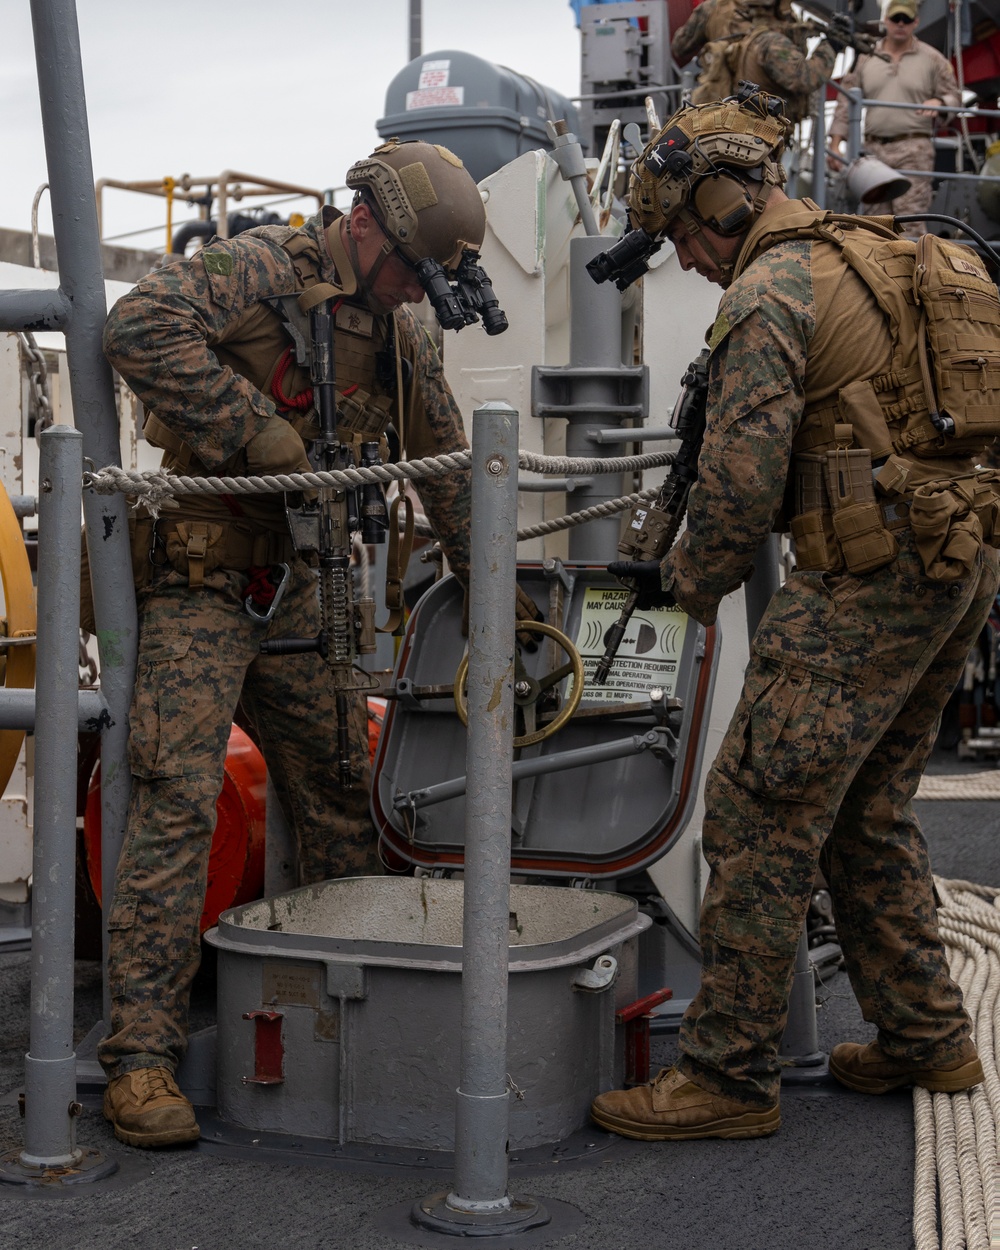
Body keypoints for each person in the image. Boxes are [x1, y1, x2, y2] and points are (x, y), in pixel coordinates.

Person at [97, 139, 530, 1148]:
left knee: (339, 790)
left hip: (310, 590)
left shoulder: (404, 323)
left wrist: (499, 589)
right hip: (207, 577)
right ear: (364, 223)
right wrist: (258, 429)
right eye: (400, 272)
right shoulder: (258, 266)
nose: (403, 296)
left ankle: (339, 1027)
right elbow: (137, 324)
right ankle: (142, 1054)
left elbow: (449, 467)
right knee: (178, 799)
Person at [590, 86, 1000, 1140]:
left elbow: (734, 492)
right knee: (864, 810)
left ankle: (726, 1074)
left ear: (721, 202)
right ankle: (924, 1033)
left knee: (756, 812)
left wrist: (679, 585)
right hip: (957, 564)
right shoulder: (870, 252)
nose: (682, 257)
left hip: (863, 579)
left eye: (680, 232)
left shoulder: (772, 290)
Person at [828, 0, 960, 236]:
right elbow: (845, 101)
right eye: (896, 18)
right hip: (873, 151)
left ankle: (914, 271)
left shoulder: (933, 59)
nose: (901, 24)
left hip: (914, 151)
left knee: (910, 223)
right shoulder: (866, 59)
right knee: (873, 225)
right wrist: (835, 143)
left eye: (906, 19)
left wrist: (940, 103)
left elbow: (954, 95)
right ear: (885, 21)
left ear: (915, 22)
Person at [671, 0, 843, 122]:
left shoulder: (713, 8)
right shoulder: (785, 15)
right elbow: (802, 73)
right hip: (760, 115)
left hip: (729, 112)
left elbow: (680, 46)